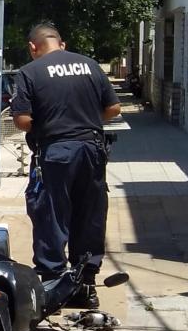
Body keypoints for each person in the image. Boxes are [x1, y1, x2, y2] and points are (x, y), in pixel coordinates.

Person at [10, 23, 121, 309]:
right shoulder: (90, 66)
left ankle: (54, 283)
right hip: (92, 149)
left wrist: (51, 124)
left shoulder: (29, 72)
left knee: (51, 213)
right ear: (63, 43)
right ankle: (86, 285)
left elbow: (22, 120)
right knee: (89, 213)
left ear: (33, 47)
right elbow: (113, 109)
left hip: (55, 152)